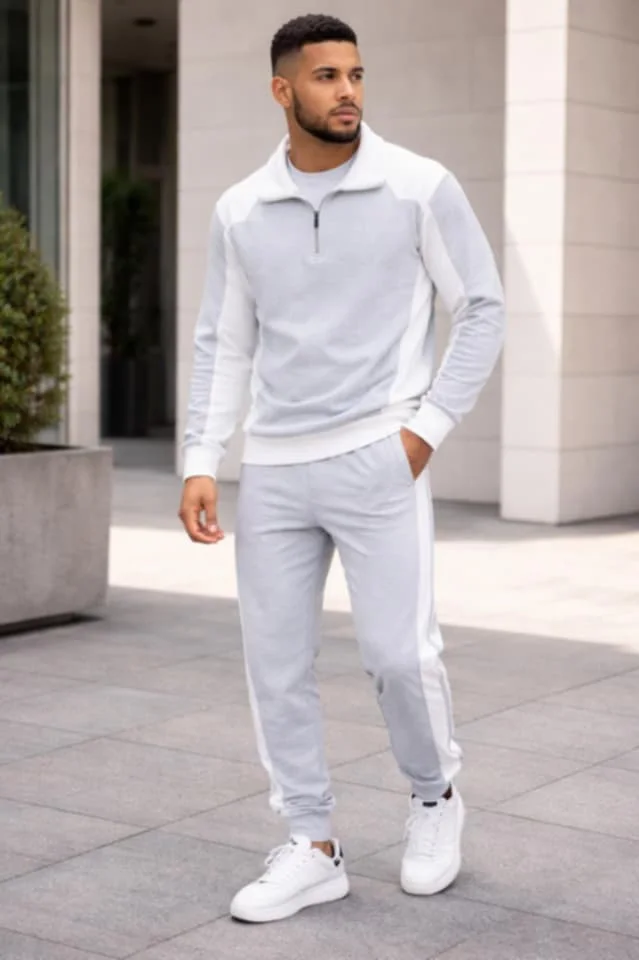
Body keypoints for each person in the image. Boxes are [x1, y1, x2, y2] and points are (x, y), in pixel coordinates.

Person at [179, 13, 505, 925]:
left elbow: (481, 307)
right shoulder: (241, 208)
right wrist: (203, 457)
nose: (347, 91)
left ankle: (435, 798)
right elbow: (223, 342)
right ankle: (311, 843)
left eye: (355, 74)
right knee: (275, 665)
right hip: (275, 469)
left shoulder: (417, 185)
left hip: (378, 456)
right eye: (325, 76)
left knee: (399, 656)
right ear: (282, 90)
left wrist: (424, 430)